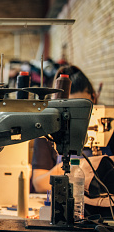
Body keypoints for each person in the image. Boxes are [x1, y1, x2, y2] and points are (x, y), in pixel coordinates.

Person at [31, 65, 113, 216]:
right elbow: (39, 183)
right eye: (70, 110)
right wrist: (76, 169)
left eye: (81, 109)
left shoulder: (108, 128)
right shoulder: (48, 132)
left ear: (93, 98)